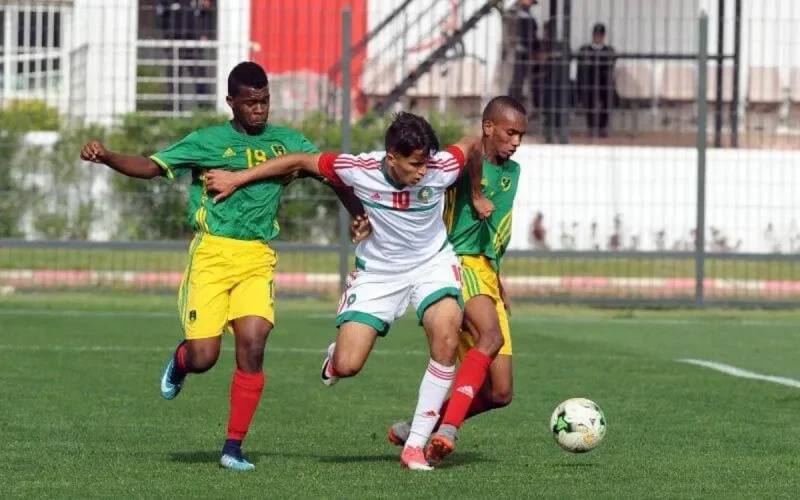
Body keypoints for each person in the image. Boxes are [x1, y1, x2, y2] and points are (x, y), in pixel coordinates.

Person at [79, 61, 365, 472]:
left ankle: (233, 447)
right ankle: (182, 362)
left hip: (256, 257)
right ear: (231, 102)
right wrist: (106, 156)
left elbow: (331, 175)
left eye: (265, 101)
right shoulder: (207, 141)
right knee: (205, 356)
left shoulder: (286, 143)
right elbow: (151, 166)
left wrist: (357, 212)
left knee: (253, 344)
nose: (260, 110)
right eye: (251, 103)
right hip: (212, 255)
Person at [204, 111, 493, 471]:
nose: (423, 172)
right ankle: (334, 360)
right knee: (348, 364)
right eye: (415, 164)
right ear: (392, 158)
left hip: (431, 264)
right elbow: (300, 160)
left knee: (448, 334)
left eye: (426, 162)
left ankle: (414, 446)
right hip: (379, 273)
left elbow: (473, 144)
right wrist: (237, 178)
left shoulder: (441, 167)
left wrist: (477, 193)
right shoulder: (359, 168)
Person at [352, 96, 527, 463]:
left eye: (521, 135)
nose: (516, 142)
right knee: (490, 337)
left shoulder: (514, 172)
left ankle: (423, 427)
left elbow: (495, 231)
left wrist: (497, 275)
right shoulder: (456, 169)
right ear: (488, 127)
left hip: (485, 271)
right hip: (456, 265)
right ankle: (446, 431)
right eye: (510, 133)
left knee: (501, 393)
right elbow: (422, 192)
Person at [577, 23, 616, 136]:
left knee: (607, 96)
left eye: (600, 35)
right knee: (589, 94)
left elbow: (610, 68)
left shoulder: (609, 50)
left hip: (604, 83)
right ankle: (591, 126)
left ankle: (603, 126)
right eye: (596, 35)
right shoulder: (584, 50)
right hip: (588, 83)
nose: (598, 37)